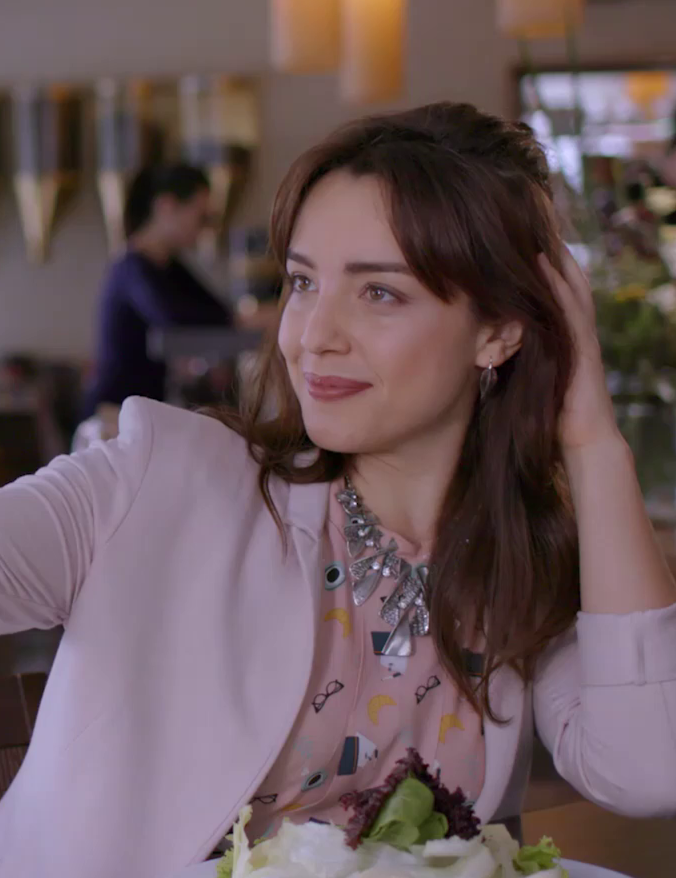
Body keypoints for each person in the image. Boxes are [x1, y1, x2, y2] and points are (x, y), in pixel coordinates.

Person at [1, 102, 676, 878]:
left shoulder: (518, 558)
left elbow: (647, 771)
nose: (312, 334)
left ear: (498, 331)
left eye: (379, 292)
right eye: (301, 282)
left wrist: (592, 436)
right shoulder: (158, 480)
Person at [80, 163, 234, 420]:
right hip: (109, 414)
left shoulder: (169, 266)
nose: (203, 227)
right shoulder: (131, 266)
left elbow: (216, 310)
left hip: (138, 413)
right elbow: (174, 318)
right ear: (166, 206)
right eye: (200, 216)